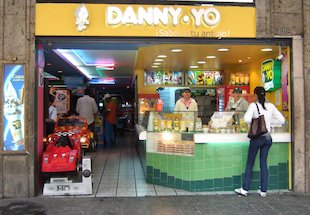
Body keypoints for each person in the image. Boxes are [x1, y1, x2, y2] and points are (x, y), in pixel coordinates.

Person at [234, 86, 285, 197]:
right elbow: (282, 120)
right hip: (268, 138)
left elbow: (247, 119)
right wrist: (270, 122)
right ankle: (263, 190)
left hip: (257, 138)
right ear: (265, 94)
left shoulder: (253, 105)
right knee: (263, 163)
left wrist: (255, 120)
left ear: (255, 95)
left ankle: (245, 189)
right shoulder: (271, 106)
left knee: (250, 163)